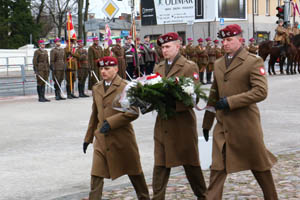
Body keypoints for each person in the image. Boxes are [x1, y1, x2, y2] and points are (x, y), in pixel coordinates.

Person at [202, 24, 278, 199]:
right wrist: (207, 123)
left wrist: (230, 101)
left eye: (229, 40)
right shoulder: (219, 63)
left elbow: (261, 92)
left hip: (246, 125)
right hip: (223, 126)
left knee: (259, 166)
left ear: (240, 40)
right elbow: (214, 94)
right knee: (217, 168)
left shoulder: (253, 61)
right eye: (223, 40)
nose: (225, 44)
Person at [82, 56, 150, 200]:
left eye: (107, 68)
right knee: (96, 174)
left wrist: (111, 122)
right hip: (101, 137)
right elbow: (95, 114)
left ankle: (144, 197)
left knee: (134, 172)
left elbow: (133, 112)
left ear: (116, 69)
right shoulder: (97, 87)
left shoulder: (125, 86)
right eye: (101, 68)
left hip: (122, 138)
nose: (103, 72)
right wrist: (88, 138)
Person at [152, 32, 207, 200]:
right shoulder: (158, 67)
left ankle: (203, 195)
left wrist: (173, 100)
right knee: (160, 165)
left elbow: (194, 96)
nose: (164, 50)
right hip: (163, 123)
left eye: (168, 46)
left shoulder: (189, 66)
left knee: (191, 164)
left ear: (178, 46)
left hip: (182, 123)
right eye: (162, 47)